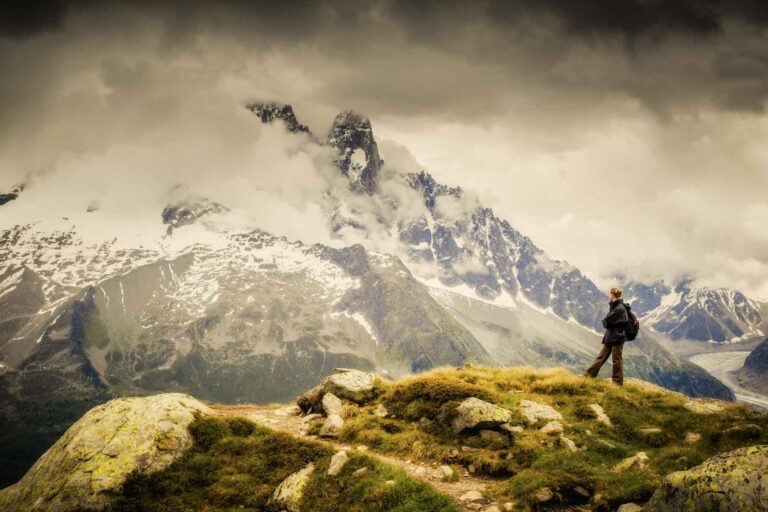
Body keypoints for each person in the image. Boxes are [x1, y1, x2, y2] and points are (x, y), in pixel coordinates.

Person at [585, 287, 628, 385]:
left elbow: (606, 321)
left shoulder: (619, 308)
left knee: (616, 360)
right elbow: (608, 321)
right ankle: (589, 375)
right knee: (602, 357)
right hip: (612, 336)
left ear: (612, 294)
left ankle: (617, 382)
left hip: (616, 338)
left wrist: (608, 323)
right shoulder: (617, 306)